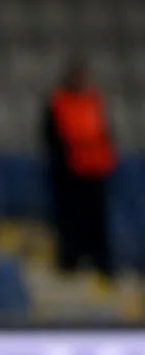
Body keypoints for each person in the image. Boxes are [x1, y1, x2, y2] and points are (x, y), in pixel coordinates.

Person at [43, 57, 116, 278]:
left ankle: (101, 265)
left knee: (97, 222)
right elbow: (52, 138)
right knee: (70, 222)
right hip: (69, 174)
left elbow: (105, 132)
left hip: (95, 172)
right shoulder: (58, 102)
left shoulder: (93, 100)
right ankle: (69, 264)